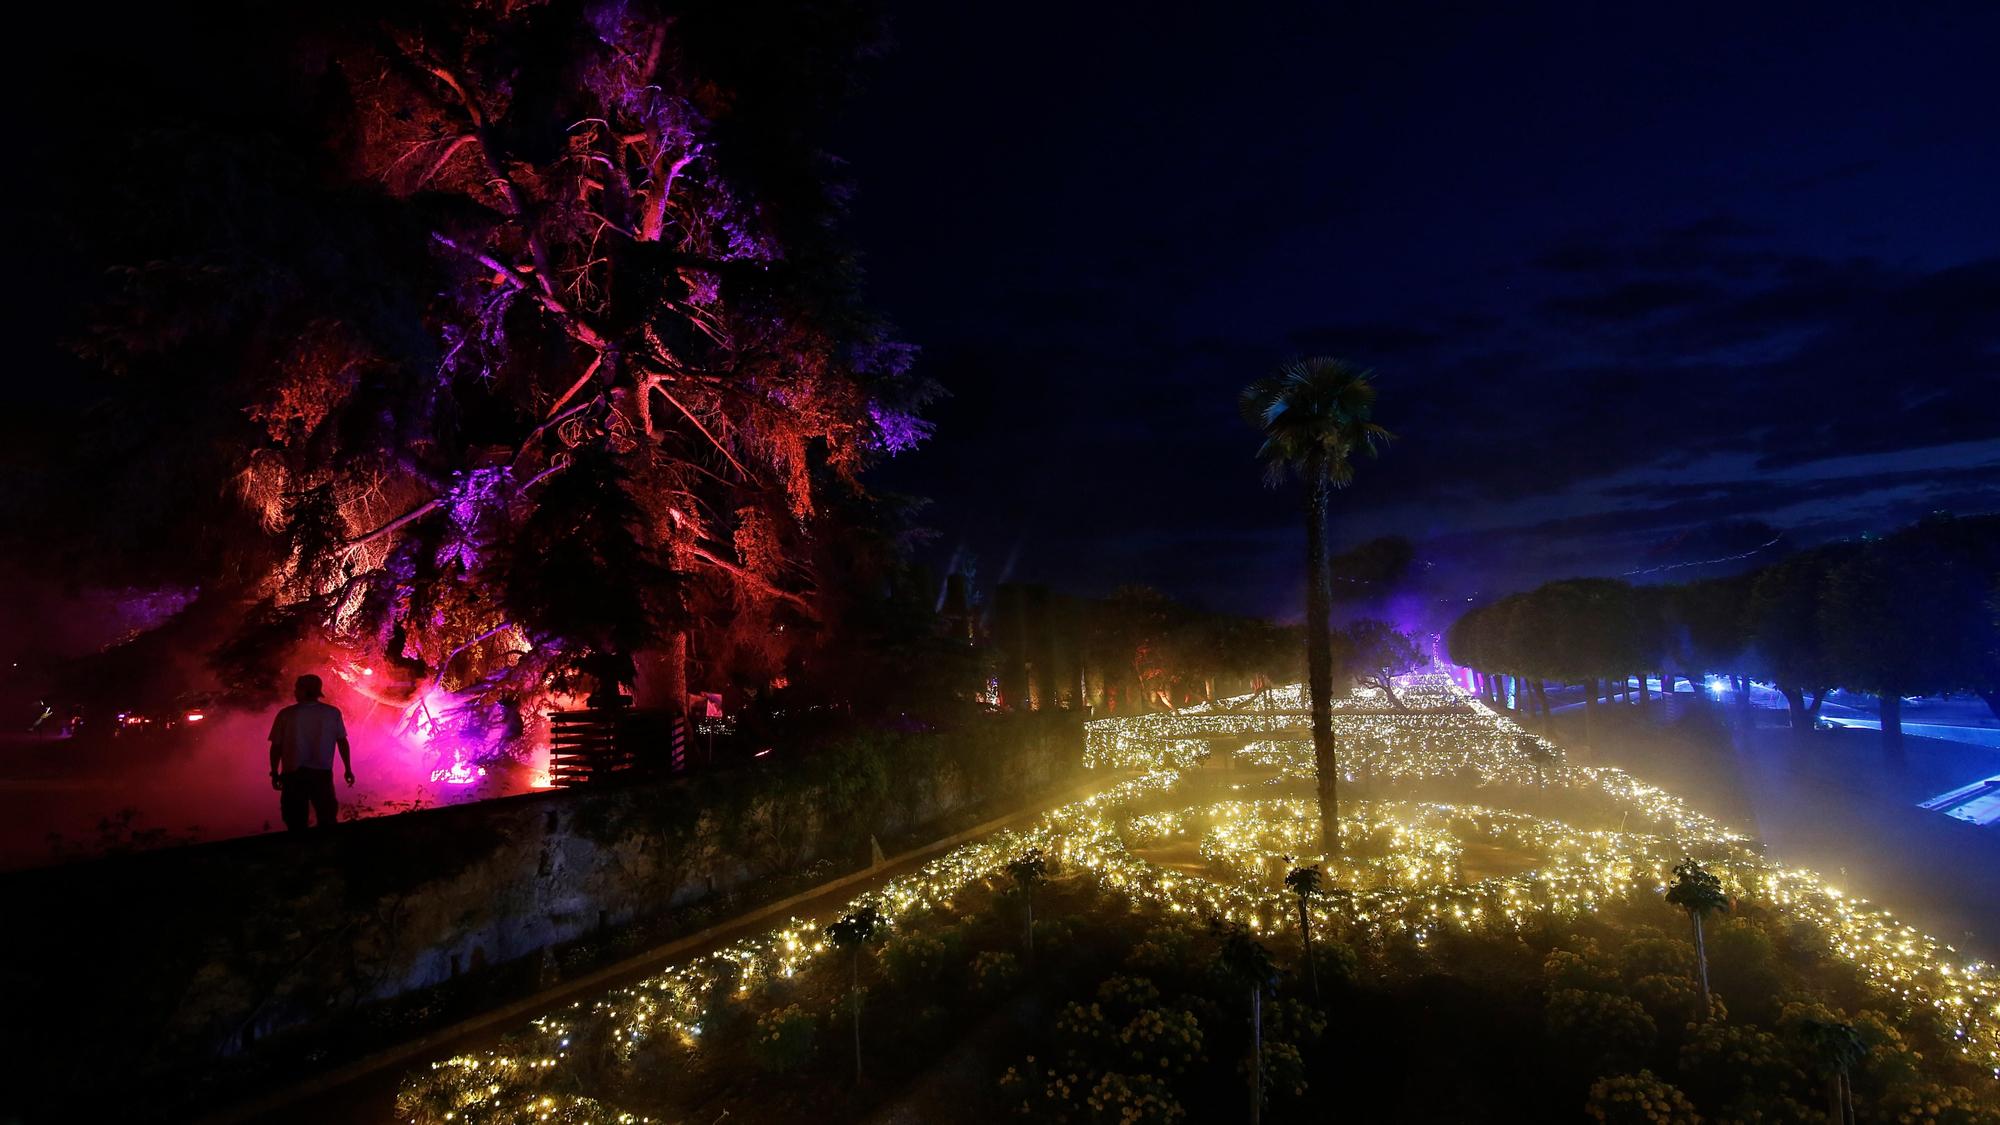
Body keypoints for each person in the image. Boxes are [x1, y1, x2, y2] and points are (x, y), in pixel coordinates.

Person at [268, 674, 353, 830]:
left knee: (295, 821)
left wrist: (274, 772)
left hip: (293, 775)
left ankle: (301, 851)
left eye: (297, 687)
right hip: (322, 773)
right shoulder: (332, 713)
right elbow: (342, 741)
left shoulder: (286, 714)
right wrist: (348, 769)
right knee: (327, 818)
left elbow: (276, 746)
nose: (294, 691)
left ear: (305, 689)